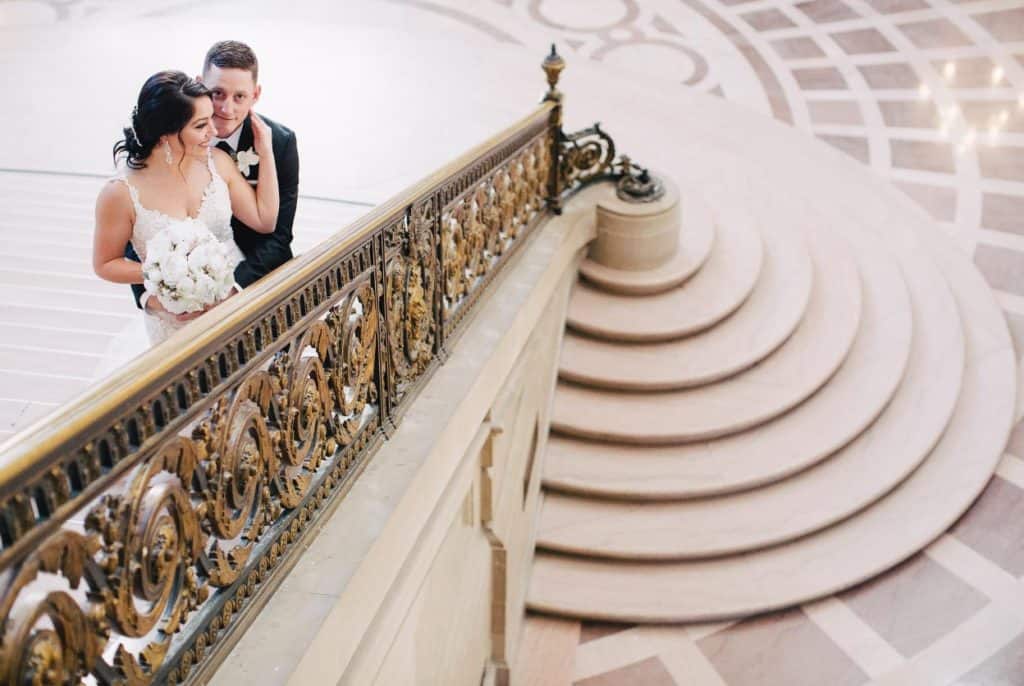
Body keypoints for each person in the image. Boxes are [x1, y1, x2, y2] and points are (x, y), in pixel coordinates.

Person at [92, 70, 279, 344]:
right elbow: (105, 264)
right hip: (174, 325)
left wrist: (266, 152)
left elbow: (265, 220)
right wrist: (165, 276)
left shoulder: (218, 163)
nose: (213, 132)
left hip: (236, 308)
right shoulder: (119, 193)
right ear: (166, 133)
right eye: (201, 126)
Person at [125, 40, 300, 318]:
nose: (226, 109)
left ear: (256, 95)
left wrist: (233, 290)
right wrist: (150, 295)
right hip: (176, 296)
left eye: (239, 97)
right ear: (199, 84)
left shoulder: (278, 143)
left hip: (253, 285)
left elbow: (278, 235)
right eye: (217, 93)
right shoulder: (170, 135)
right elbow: (137, 221)